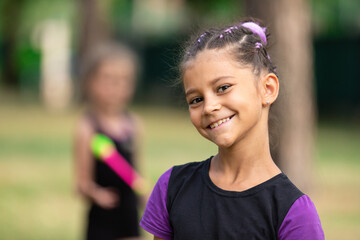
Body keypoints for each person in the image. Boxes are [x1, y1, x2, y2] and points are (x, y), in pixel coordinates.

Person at [139, 20, 325, 239]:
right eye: (196, 99)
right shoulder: (172, 187)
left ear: (267, 89)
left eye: (223, 88)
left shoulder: (294, 212)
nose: (209, 107)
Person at [74, 43, 144, 240]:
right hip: (102, 219)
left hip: (129, 214)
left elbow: (135, 174)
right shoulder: (87, 127)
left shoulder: (134, 124)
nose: (117, 87)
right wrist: (97, 194)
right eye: (109, 80)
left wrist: (145, 198)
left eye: (124, 81)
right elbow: (81, 184)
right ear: (89, 82)